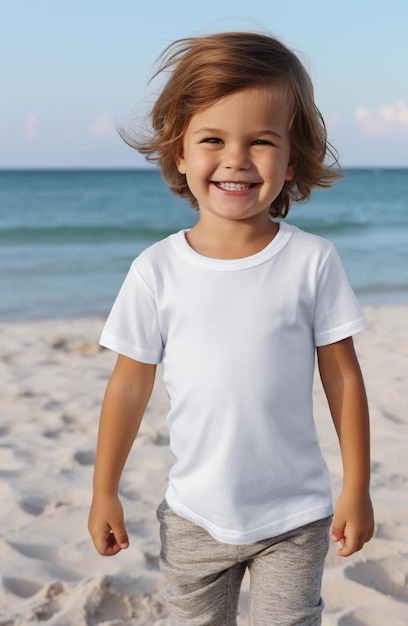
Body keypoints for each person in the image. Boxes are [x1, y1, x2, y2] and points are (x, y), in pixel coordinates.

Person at [88, 31, 374, 625]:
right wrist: (104, 489)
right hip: (195, 515)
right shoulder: (156, 270)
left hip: (294, 517)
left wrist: (357, 486)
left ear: (291, 158)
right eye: (212, 139)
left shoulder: (312, 261)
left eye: (261, 142)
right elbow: (128, 386)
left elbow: (343, 378)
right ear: (180, 155)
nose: (236, 159)